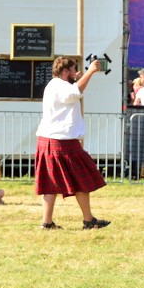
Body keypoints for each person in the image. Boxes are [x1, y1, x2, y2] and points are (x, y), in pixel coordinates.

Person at [35, 55, 109, 230]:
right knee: (81, 180)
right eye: (73, 69)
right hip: (62, 141)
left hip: (51, 140)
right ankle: (88, 220)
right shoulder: (59, 86)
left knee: (51, 184)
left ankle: (48, 222)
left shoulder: (56, 85)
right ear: (65, 71)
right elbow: (74, 94)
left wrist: (77, 80)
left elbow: (72, 91)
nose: (76, 72)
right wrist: (90, 72)